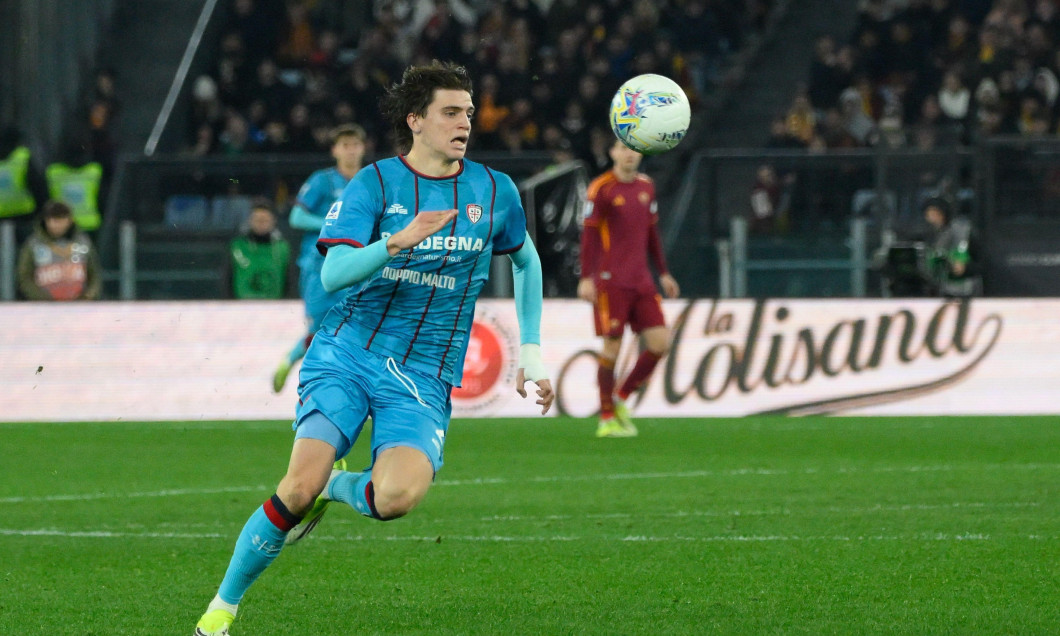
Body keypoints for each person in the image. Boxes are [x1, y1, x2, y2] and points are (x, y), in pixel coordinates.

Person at [194, 60, 554, 635]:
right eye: (451, 112)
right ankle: (221, 610)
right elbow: (334, 273)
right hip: (348, 351)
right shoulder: (376, 184)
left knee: (396, 498)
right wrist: (397, 241)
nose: (465, 122)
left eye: (468, 111)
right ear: (415, 120)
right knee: (295, 486)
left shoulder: (494, 190)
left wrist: (531, 353)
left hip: (424, 373)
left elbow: (529, 262)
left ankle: (337, 486)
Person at [578, 139, 680, 439]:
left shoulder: (647, 187)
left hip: (642, 280)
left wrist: (663, 272)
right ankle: (606, 417)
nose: (629, 154)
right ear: (613, 153)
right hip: (611, 282)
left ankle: (621, 397)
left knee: (660, 343)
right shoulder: (601, 189)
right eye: (623, 148)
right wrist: (586, 277)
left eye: (634, 149)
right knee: (612, 346)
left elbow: (651, 233)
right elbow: (590, 237)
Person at [272, 123, 366, 393]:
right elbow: (297, 216)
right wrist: (331, 223)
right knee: (322, 328)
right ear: (335, 150)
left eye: (355, 145)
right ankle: (293, 362)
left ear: (363, 148)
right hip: (319, 267)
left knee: (355, 327)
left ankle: (348, 386)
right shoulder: (322, 180)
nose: (350, 151)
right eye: (345, 145)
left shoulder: (368, 182)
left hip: (356, 266)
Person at [17, 200, 101, 301]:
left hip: (79, 306)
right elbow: (25, 277)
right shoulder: (34, 245)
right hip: (43, 307)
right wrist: (41, 298)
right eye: (53, 220)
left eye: (61, 219)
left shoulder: (83, 243)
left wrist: (88, 296)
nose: (57, 224)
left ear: (70, 220)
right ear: (45, 221)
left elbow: (94, 274)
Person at [227, 199, 291, 299]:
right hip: (241, 308)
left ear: (273, 221)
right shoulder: (237, 246)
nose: (261, 223)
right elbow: (227, 279)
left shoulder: (283, 248)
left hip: (276, 309)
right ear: (250, 220)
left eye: (265, 220)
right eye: (257, 219)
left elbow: (290, 280)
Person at [922, 197, 981, 297]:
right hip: (940, 288)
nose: (932, 218)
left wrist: (965, 267)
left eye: (935, 214)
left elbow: (979, 260)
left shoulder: (962, 231)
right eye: (929, 215)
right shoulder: (930, 235)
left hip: (963, 289)